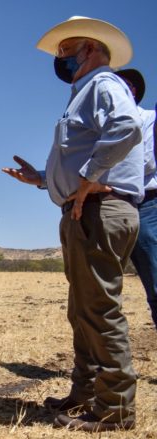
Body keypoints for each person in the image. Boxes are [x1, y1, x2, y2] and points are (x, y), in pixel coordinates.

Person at [3, 16, 144, 432]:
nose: (61, 58)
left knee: (98, 310)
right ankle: (84, 393)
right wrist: (43, 179)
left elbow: (127, 127)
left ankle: (115, 409)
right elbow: (81, 152)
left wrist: (87, 178)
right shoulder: (84, 93)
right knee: (82, 310)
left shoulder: (104, 84)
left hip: (99, 209)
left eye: (67, 50)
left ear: (92, 49)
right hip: (84, 209)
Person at [115, 68, 157, 329]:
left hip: (147, 205)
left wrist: (97, 176)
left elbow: (145, 162)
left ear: (132, 90)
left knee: (155, 282)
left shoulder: (150, 119)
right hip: (111, 205)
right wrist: (44, 178)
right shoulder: (105, 126)